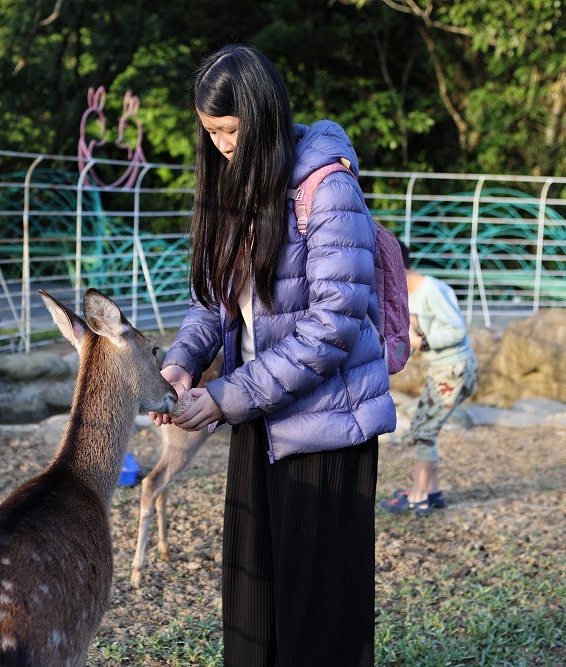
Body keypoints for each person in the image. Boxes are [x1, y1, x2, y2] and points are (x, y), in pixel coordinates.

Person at [150, 44, 395, 667]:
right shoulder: (235, 186)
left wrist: (227, 396)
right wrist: (181, 362)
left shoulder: (327, 187)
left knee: (319, 618)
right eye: (211, 133)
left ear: (263, 117)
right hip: (260, 419)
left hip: (327, 428)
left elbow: (333, 327)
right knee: (253, 600)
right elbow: (213, 300)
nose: (223, 145)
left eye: (231, 131)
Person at [378, 241, 478, 516]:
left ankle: (420, 497)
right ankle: (430, 491)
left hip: (453, 369)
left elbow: (457, 331)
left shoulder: (431, 290)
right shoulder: (411, 292)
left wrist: (422, 342)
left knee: (423, 431)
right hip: (444, 368)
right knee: (424, 428)